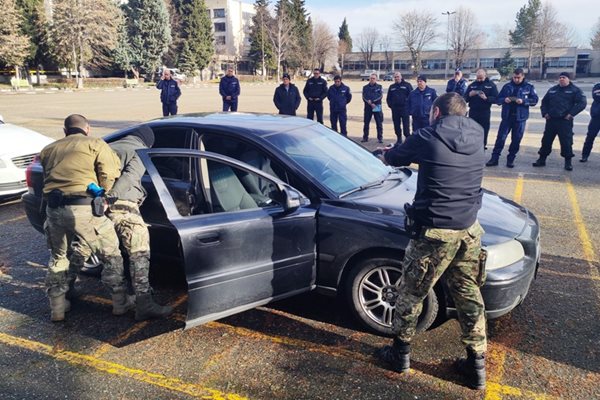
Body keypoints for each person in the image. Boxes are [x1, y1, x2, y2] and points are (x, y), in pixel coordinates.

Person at [375, 93, 487, 390]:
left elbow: (395, 157)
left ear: (436, 112)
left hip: (435, 231)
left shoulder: (428, 134)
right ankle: (477, 367)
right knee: (468, 295)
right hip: (469, 228)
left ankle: (399, 355)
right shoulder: (478, 132)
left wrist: (385, 152)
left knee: (410, 293)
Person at [70, 126, 173, 321]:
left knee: (91, 250)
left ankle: (65, 290)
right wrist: (110, 198)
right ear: (147, 142)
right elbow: (130, 177)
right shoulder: (139, 151)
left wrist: (100, 201)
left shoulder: (104, 147)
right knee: (138, 253)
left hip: (93, 207)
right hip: (122, 207)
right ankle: (144, 304)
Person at [39, 114, 130, 322]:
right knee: (110, 253)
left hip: (54, 209)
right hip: (84, 208)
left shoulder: (48, 149)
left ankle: (58, 308)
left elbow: (47, 177)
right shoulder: (96, 144)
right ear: (87, 128)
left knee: (58, 257)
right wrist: (103, 194)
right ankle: (119, 303)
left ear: (65, 131)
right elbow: (109, 173)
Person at [533, 72, 587, 171]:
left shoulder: (575, 90)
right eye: (560, 77)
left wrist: (571, 114)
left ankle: (568, 162)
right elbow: (544, 102)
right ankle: (541, 159)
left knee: (566, 142)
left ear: (568, 79)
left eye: (564, 77)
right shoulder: (553, 89)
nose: (561, 79)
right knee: (546, 141)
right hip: (551, 120)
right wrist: (545, 113)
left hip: (564, 121)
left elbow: (582, 103)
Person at [486, 68, 538, 168]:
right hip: (507, 117)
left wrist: (523, 101)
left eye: (518, 77)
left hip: (520, 118)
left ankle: (510, 159)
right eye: (514, 77)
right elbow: (498, 99)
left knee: (516, 140)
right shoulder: (507, 86)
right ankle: (494, 158)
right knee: (500, 138)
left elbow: (534, 100)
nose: (516, 79)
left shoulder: (529, 87)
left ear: (523, 76)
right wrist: (504, 100)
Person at [465, 68, 499, 149]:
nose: (479, 80)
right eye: (478, 78)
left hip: (484, 112)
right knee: (472, 131)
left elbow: (497, 99)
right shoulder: (472, 85)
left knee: (484, 131)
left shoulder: (491, 85)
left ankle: (482, 147)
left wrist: (486, 98)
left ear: (485, 76)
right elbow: (464, 98)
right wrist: (469, 95)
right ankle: (471, 148)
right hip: (473, 112)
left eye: (481, 78)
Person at [386, 72, 413, 144]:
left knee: (406, 125)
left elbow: (412, 96)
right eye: (395, 77)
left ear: (401, 77)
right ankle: (399, 138)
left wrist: (409, 107)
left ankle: (407, 139)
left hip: (405, 108)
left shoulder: (407, 85)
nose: (396, 78)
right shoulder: (392, 87)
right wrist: (391, 105)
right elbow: (388, 98)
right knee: (396, 124)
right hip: (395, 109)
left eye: (398, 77)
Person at [580, 82, 600, 162]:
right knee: (590, 137)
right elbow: (596, 96)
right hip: (596, 117)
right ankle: (585, 155)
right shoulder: (597, 86)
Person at [362, 73, 384, 143]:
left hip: (376, 106)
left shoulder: (379, 87)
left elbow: (380, 96)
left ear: (376, 79)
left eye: (374, 78)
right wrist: (370, 103)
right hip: (368, 106)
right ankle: (365, 137)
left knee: (379, 122)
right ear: (369, 78)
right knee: (366, 123)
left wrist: (373, 102)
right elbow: (363, 96)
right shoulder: (365, 87)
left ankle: (380, 138)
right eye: (371, 78)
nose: (372, 80)